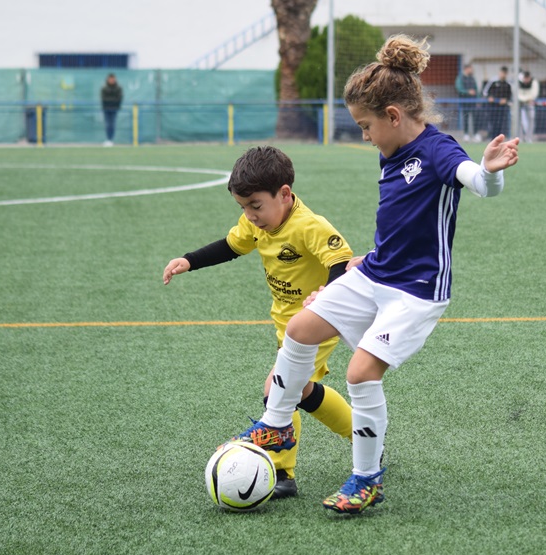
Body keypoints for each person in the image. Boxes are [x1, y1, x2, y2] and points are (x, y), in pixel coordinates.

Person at [238, 34, 519, 514]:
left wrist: (490, 172)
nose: (364, 135)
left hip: (415, 292)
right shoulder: (391, 152)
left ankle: (366, 479)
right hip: (376, 272)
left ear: (393, 115)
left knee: (361, 371)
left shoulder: (436, 150)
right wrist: (364, 261)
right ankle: (277, 422)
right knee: (301, 329)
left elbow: (476, 180)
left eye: (366, 125)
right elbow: (399, 224)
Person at [162, 146, 355, 499]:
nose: (249, 215)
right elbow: (231, 246)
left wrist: (325, 298)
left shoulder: (309, 225)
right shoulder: (258, 224)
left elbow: (341, 260)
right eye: (242, 207)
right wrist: (189, 261)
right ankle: (363, 434)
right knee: (299, 391)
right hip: (285, 324)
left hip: (317, 322)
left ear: (284, 194)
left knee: (278, 390)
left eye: (255, 205)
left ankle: (281, 472)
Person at [484, 66, 512, 139]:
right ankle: (492, 139)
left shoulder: (508, 84)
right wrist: (489, 97)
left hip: (502, 108)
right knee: (492, 123)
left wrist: (505, 100)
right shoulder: (493, 82)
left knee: (500, 124)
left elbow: (509, 96)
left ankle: (498, 139)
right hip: (492, 107)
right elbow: (485, 92)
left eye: (504, 73)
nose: (503, 75)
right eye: (502, 73)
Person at [455, 63, 480, 142]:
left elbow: (476, 89)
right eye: (470, 68)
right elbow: (459, 89)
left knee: (475, 118)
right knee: (465, 118)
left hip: (473, 102)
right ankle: (466, 134)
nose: (471, 70)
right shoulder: (460, 78)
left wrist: (478, 99)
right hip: (465, 102)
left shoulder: (472, 78)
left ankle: (476, 134)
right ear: (466, 69)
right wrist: (468, 92)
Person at [100, 73, 122, 147]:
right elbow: (104, 99)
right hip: (106, 109)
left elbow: (119, 98)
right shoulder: (104, 88)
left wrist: (113, 103)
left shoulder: (118, 88)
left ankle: (111, 139)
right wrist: (111, 101)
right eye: (110, 79)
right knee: (107, 124)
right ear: (108, 79)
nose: (111, 80)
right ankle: (108, 139)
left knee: (112, 124)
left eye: (113, 79)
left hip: (114, 109)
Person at [517, 69, 539, 143]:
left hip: (530, 103)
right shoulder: (519, 82)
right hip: (520, 103)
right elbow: (518, 94)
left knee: (531, 118)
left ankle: (529, 137)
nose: (526, 80)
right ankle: (520, 137)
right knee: (518, 119)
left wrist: (528, 99)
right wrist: (524, 99)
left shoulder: (534, 82)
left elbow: (534, 94)